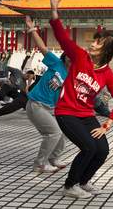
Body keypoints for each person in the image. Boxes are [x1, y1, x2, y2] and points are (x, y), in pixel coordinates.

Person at [49, 0, 113, 198]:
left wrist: (108, 123)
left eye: (98, 43)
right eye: (94, 40)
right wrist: (55, 14)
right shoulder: (80, 56)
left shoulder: (107, 73)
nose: (92, 44)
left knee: (102, 150)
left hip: (86, 115)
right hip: (66, 112)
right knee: (88, 148)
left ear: (106, 50)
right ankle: (69, 185)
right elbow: (63, 38)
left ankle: (83, 182)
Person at [24, 16, 70, 173]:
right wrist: (31, 29)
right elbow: (42, 47)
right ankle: (39, 164)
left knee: (62, 132)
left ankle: (54, 158)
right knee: (53, 133)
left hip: (51, 108)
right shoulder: (56, 63)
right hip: (36, 104)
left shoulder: (72, 75)